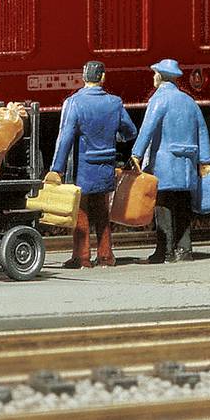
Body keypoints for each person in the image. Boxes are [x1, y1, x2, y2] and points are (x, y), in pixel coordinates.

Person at [46, 61, 135, 268]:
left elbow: (65, 138)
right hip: (105, 164)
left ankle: (82, 257)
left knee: (81, 211)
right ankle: (106, 256)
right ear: (103, 77)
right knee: (102, 211)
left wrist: (56, 169)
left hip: (83, 167)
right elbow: (130, 131)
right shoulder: (115, 102)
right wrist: (116, 138)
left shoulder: (74, 102)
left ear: (83, 77)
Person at [131, 58, 209, 263]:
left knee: (163, 205)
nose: (153, 77)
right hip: (186, 163)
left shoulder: (159, 100)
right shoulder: (189, 101)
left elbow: (147, 129)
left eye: (155, 73)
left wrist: (136, 154)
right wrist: (205, 160)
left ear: (160, 76)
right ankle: (184, 251)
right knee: (183, 204)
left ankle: (163, 251)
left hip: (165, 162)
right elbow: (202, 129)